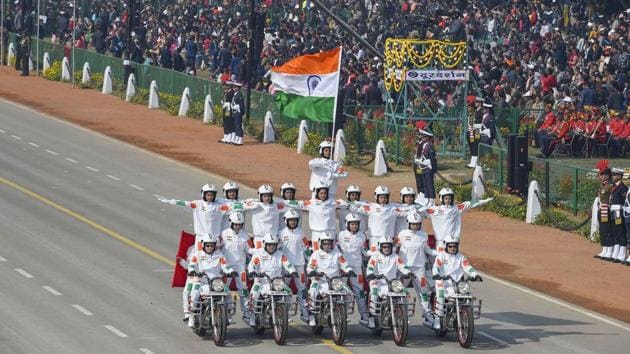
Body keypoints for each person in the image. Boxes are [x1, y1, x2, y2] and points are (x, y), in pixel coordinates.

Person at [158, 184, 239, 252]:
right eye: (208, 195)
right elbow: (185, 203)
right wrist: (172, 201)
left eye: (212, 195)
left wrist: (247, 204)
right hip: (201, 237)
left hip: (215, 239)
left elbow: (234, 206)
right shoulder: (197, 204)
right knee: (199, 257)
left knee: (215, 258)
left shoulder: (219, 207)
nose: (210, 197)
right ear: (203, 194)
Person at [395, 212, 438, 327]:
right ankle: (398, 314)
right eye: (413, 224)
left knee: (423, 292)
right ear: (408, 223)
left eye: (417, 224)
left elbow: (428, 250)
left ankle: (427, 314)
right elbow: (393, 246)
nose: (415, 226)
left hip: (419, 269)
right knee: (399, 291)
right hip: (405, 268)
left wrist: (440, 253)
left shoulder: (423, 235)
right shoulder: (402, 234)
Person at [432, 234, 482, 330]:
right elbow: (436, 267)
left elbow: (467, 267)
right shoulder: (441, 256)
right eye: (450, 246)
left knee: (467, 297)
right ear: (446, 245)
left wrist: (475, 275)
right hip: (443, 282)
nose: (453, 248)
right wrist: (436, 274)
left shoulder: (461, 257)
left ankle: (466, 316)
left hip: (458, 284)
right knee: (441, 298)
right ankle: (437, 320)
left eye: (455, 246)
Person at [187, 233, 237, 327]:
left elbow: (226, 266)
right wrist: (192, 271)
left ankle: (227, 315)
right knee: (194, 294)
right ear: (203, 245)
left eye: (212, 245)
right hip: (201, 281)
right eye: (208, 245)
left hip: (216, 282)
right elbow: (191, 265)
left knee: (228, 294)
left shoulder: (219, 256)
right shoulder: (197, 255)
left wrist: (231, 271)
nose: (210, 247)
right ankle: (192, 317)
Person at [247, 233, 297, 326]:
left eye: (273, 245)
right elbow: (252, 265)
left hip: (277, 283)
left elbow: (288, 264)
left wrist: (292, 271)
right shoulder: (259, 255)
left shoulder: (280, 255)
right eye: (269, 245)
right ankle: (253, 317)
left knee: (289, 292)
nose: (271, 247)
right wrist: (252, 271)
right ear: (265, 244)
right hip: (261, 281)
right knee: (254, 294)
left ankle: (285, 313)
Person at [420, 188, 492, 252]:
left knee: (452, 259)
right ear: (441, 198)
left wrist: (485, 200)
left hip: (453, 241)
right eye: (446, 198)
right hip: (440, 241)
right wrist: (419, 208)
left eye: (450, 198)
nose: (448, 200)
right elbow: (421, 212)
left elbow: (471, 203)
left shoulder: (457, 208)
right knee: (441, 260)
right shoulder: (435, 210)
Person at [305, 232, 354, 326]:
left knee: (349, 292)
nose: (327, 246)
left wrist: (349, 270)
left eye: (329, 243)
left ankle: (344, 314)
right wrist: (312, 272)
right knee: (313, 291)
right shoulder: (316, 254)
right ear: (320, 243)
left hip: (335, 281)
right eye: (325, 243)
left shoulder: (337, 254)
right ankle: (312, 314)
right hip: (319, 280)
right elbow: (310, 267)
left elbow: (344, 264)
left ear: (333, 244)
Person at [364, 236, 412, 329]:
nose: (386, 249)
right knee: (373, 293)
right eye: (384, 247)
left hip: (392, 283)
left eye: (388, 247)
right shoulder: (375, 256)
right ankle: (372, 317)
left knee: (405, 293)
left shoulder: (395, 257)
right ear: (380, 247)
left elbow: (402, 266)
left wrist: (408, 272)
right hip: (377, 281)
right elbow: (370, 267)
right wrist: (370, 274)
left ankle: (403, 316)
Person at [350, 185, 412, 250]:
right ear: (376, 197)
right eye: (381, 197)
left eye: (385, 197)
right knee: (374, 255)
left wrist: (415, 210)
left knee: (388, 256)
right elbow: (358, 209)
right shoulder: (371, 207)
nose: (383, 199)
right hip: (374, 238)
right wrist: (349, 205)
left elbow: (405, 213)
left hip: (389, 237)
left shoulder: (393, 208)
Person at [336, 213, 369, 322]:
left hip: (357, 267)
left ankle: (364, 315)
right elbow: (336, 249)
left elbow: (365, 252)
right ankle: (341, 315)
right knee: (340, 290)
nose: (354, 226)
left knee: (359, 291)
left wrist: (375, 253)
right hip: (343, 267)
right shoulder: (341, 234)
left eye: (356, 224)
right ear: (347, 224)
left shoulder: (362, 236)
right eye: (352, 224)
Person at [278, 209, 310, 322]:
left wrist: (310, 260)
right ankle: (284, 314)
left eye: (295, 220)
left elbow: (306, 248)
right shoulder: (281, 233)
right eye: (290, 220)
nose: (293, 222)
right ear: (286, 221)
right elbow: (277, 249)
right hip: (285, 266)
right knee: (283, 290)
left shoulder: (301, 233)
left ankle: (305, 313)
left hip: (299, 265)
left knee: (302, 289)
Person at [219, 212, 252, 321]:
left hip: (240, 267)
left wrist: (260, 252)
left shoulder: (245, 235)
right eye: (235, 224)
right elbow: (216, 247)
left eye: (240, 224)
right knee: (224, 290)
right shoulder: (223, 234)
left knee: (243, 290)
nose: (238, 226)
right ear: (230, 223)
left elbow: (250, 250)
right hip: (227, 267)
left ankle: (246, 313)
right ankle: (226, 314)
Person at [242, 184, 290, 250]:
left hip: (273, 238)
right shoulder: (255, 206)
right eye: (265, 196)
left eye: (269, 196)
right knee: (260, 257)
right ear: (260, 196)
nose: (267, 198)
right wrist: (251, 201)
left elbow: (290, 205)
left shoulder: (276, 206)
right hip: (259, 238)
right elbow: (241, 204)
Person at [594, 163, 615, 261]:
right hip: (601, 208)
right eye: (600, 175)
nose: (600, 176)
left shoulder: (610, 185)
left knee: (607, 230)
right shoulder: (602, 185)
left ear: (607, 175)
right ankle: (604, 249)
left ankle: (609, 250)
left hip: (606, 209)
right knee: (602, 230)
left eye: (602, 175)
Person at [609, 168, 628, 263]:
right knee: (615, 231)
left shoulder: (623, 188)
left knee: (620, 231)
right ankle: (616, 253)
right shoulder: (614, 186)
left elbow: (625, 201)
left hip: (618, 212)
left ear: (619, 176)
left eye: (615, 175)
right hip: (613, 211)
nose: (613, 176)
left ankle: (622, 254)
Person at [414, 129, 437, 206]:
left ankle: (432, 200)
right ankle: (427, 199)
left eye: (424, 137)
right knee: (425, 184)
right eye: (422, 137)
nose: (422, 138)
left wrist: (433, 170)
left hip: (428, 168)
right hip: (423, 168)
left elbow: (432, 159)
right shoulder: (424, 145)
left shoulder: (429, 146)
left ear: (428, 137)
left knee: (430, 185)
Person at [466, 96, 484, 168]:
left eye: (477, 102)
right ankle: (472, 161)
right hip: (472, 130)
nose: (475, 103)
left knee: (475, 145)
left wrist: (475, 126)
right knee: (472, 145)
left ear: (480, 103)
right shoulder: (476, 111)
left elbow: (481, 122)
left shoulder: (481, 111)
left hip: (476, 131)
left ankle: (475, 162)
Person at [230, 81, 245, 146]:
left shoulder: (240, 95)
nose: (233, 88)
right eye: (233, 87)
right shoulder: (235, 94)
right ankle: (237, 138)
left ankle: (240, 139)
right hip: (234, 112)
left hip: (238, 112)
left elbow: (241, 105)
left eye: (235, 87)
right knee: (236, 125)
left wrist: (236, 107)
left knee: (239, 126)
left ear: (238, 88)